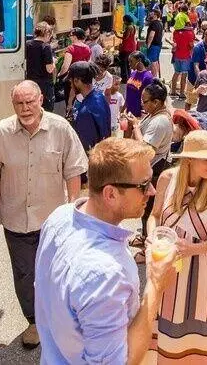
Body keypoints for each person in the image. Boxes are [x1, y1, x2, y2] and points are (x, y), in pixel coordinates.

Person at [34, 138, 177, 365]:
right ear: (110, 194)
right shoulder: (104, 275)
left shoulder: (59, 217)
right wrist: (156, 285)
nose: (151, 191)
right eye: (143, 185)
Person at [0, 80, 88, 349]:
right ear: (12, 104)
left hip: (54, 220)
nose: (25, 108)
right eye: (19, 103)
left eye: (30, 101)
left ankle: (61, 318)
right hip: (16, 220)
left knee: (57, 273)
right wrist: (1, 205)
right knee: (24, 275)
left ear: (41, 99)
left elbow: (73, 170)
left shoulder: (61, 129)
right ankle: (34, 321)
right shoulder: (0, 134)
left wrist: (73, 209)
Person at [148, 131, 207, 362]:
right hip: (167, 266)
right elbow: (154, 216)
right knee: (163, 323)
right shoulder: (166, 178)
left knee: (194, 338)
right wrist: (153, 236)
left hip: (201, 273)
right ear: (189, 160)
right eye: (206, 159)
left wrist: (193, 249)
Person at [126, 80, 174, 249]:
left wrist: (136, 127)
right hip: (150, 170)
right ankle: (146, 237)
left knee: (149, 209)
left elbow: (147, 150)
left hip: (154, 172)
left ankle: (148, 244)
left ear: (156, 102)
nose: (142, 104)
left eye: (145, 101)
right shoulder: (154, 115)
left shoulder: (159, 122)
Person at [69, 61, 112, 153]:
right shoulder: (101, 97)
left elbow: (87, 148)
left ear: (77, 81)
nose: (70, 85)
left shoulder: (85, 112)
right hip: (105, 152)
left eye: (71, 81)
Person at [59, 27, 93, 115]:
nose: (70, 37)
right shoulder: (87, 49)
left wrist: (59, 75)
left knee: (70, 101)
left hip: (72, 79)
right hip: (83, 79)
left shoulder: (71, 49)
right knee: (82, 100)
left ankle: (70, 117)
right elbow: (88, 64)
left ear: (75, 37)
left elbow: (65, 66)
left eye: (71, 35)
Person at [25, 21, 56, 109]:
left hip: (30, 81)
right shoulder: (46, 47)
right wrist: (53, 61)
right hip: (44, 84)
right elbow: (49, 69)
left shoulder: (27, 44)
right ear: (47, 33)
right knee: (45, 109)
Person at [185, 29, 207, 110]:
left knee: (205, 99)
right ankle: (185, 115)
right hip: (194, 78)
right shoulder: (198, 47)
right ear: (205, 36)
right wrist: (200, 78)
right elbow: (196, 65)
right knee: (190, 99)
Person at [168, 22, 196, 98]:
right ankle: (182, 93)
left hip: (176, 56)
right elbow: (191, 45)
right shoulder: (190, 33)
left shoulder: (176, 32)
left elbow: (173, 41)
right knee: (184, 76)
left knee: (176, 73)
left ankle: (173, 91)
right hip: (186, 56)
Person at [125, 52, 154, 118]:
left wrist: (143, 114)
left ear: (139, 61)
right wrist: (123, 110)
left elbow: (148, 98)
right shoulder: (133, 73)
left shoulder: (148, 77)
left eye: (131, 61)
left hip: (139, 114)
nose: (129, 64)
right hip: (129, 112)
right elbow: (128, 94)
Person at [118, 15, 139, 82]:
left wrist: (117, 35)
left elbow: (125, 37)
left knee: (124, 63)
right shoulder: (133, 26)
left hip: (127, 47)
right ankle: (129, 77)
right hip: (132, 47)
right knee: (128, 63)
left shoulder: (128, 27)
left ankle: (124, 79)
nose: (123, 22)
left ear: (126, 20)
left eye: (124, 20)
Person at [146, 8, 164, 79]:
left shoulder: (153, 23)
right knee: (156, 61)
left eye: (152, 13)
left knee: (153, 62)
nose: (150, 14)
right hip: (158, 44)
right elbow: (162, 33)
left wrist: (148, 45)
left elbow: (151, 35)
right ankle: (156, 77)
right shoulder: (160, 23)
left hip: (153, 45)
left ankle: (154, 78)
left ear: (155, 15)